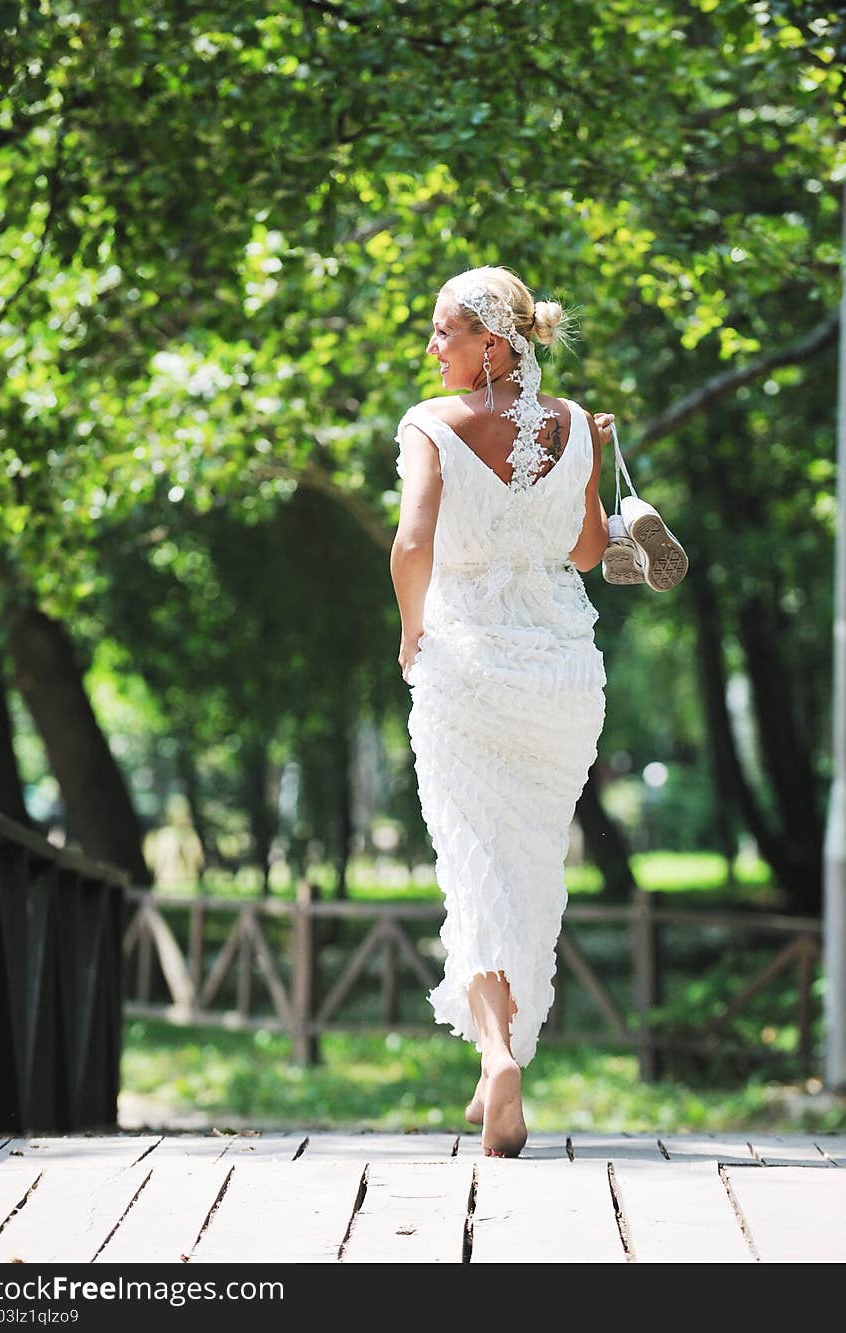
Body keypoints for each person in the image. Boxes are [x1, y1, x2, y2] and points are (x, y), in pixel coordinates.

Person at [389, 265, 614, 1157]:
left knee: (472, 858)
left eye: (445, 331)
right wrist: (585, 460)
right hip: (562, 678)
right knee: (525, 866)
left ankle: (496, 1055)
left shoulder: (431, 426)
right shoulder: (578, 426)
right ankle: (502, 1065)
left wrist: (411, 633)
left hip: (469, 670)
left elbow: (413, 544)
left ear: (492, 342)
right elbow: (590, 551)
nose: (433, 346)